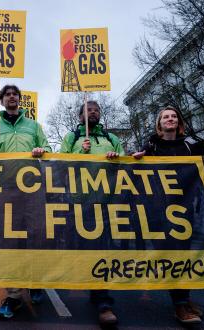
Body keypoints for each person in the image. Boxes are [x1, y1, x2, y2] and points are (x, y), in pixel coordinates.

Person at [0, 84, 51, 319]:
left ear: (20, 100)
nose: (11, 97)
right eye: (7, 94)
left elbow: (49, 149)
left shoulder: (33, 126)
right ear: (1, 101)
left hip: (32, 188)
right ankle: (13, 295)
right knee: (8, 240)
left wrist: (42, 149)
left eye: (15, 95)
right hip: (5, 189)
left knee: (37, 235)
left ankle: (35, 280)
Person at [132, 106, 204, 325]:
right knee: (173, 255)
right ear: (159, 123)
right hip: (162, 210)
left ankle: (185, 298)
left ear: (179, 122)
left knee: (185, 256)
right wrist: (135, 158)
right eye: (166, 117)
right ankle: (180, 305)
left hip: (186, 209)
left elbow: (201, 172)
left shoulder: (190, 145)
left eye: (173, 116)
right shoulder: (152, 145)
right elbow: (138, 167)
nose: (170, 119)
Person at [60, 101, 123, 326]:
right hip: (80, 202)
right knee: (85, 249)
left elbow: (125, 164)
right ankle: (92, 287)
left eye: (97, 109)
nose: (94, 111)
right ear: (80, 116)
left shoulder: (111, 138)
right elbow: (60, 165)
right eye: (89, 109)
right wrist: (80, 151)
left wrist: (117, 160)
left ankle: (103, 302)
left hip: (107, 201)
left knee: (102, 249)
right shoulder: (71, 138)